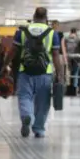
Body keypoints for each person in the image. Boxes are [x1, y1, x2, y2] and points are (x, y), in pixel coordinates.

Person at [11, 7, 63, 138]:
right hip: (45, 73)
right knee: (43, 102)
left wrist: (4, 66)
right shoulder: (52, 33)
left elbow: (13, 51)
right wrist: (60, 74)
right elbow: (56, 55)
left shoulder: (22, 31)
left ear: (34, 17)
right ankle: (39, 129)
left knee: (24, 96)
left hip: (25, 70)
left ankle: (26, 115)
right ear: (46, 18)